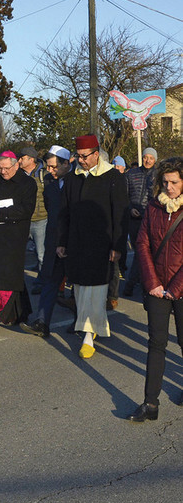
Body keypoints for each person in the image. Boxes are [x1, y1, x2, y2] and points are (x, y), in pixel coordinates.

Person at [57, 134, 129, 359]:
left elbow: (120, 215)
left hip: (102, 245)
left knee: (96, 293)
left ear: (96, 154)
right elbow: (64, 213)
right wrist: (61, 241)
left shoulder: (113, 178)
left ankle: (89, 335)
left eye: (84, 156)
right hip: (77, 244)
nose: (81, 160)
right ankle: (88, 326)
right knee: (80, 290)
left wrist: (118, 245)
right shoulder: (72, 179)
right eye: (77, 156)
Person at [128, 157, 183, 422]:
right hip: (158, 288)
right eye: (165, 182)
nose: (169, 187)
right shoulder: (153, 207)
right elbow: (142, 245)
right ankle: (150, 403)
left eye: (174, 182)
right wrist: (152, 283)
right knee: (156, 344)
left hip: (180, 288)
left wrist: (174, 288)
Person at [0, 151, 37, 332]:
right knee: (11, 275)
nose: (3, 172)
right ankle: (20, 313)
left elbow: (26, 210)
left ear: (16, 165)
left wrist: (1, 213)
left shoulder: (28, 183)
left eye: (6, 168)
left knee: (6, 277)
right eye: (0, 168)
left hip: (15, 236)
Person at [20, 146, 72, 338]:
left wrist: (66, 241)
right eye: (48, 167)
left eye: (53, 167)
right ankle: (42, 322)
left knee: (79, 288)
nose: (50, 171)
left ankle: (83, 323)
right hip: (53, 240)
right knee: (50, 281)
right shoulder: (48, 181)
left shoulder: (77, 181)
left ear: (66, 164)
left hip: (72, 242)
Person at [124, 147, 158, 296]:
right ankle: (134, 283)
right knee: (139, 251)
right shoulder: (131, 174)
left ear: (155, 159)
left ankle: (136, 284)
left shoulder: (159, 175)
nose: (148, 160)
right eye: (145, 157)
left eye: (151, 157)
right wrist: (130, 208)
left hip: (152, 219)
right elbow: (124, 196)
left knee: (148, 252)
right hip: (134, 219)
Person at [19, 146, 48, 293]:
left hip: (40, 220)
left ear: (31, 159)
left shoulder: (43, 174)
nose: (19, 160)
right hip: (23, 220)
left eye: (22, 158)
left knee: (41, 254)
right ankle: (16, 282)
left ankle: (42, 282)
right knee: (18, 252)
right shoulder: (18, 175)